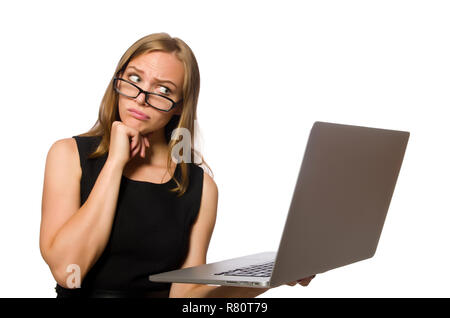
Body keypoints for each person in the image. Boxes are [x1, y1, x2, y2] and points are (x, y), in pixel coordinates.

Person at [39, 32, 315, 298]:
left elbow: (186, 296)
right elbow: (67, 272)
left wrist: (269, 277)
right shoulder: (68, 155)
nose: (140, 97)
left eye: (163, 90)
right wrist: (115, 163)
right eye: (134, 78)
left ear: (180, 106)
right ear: (118, 80)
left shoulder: (200, 187)